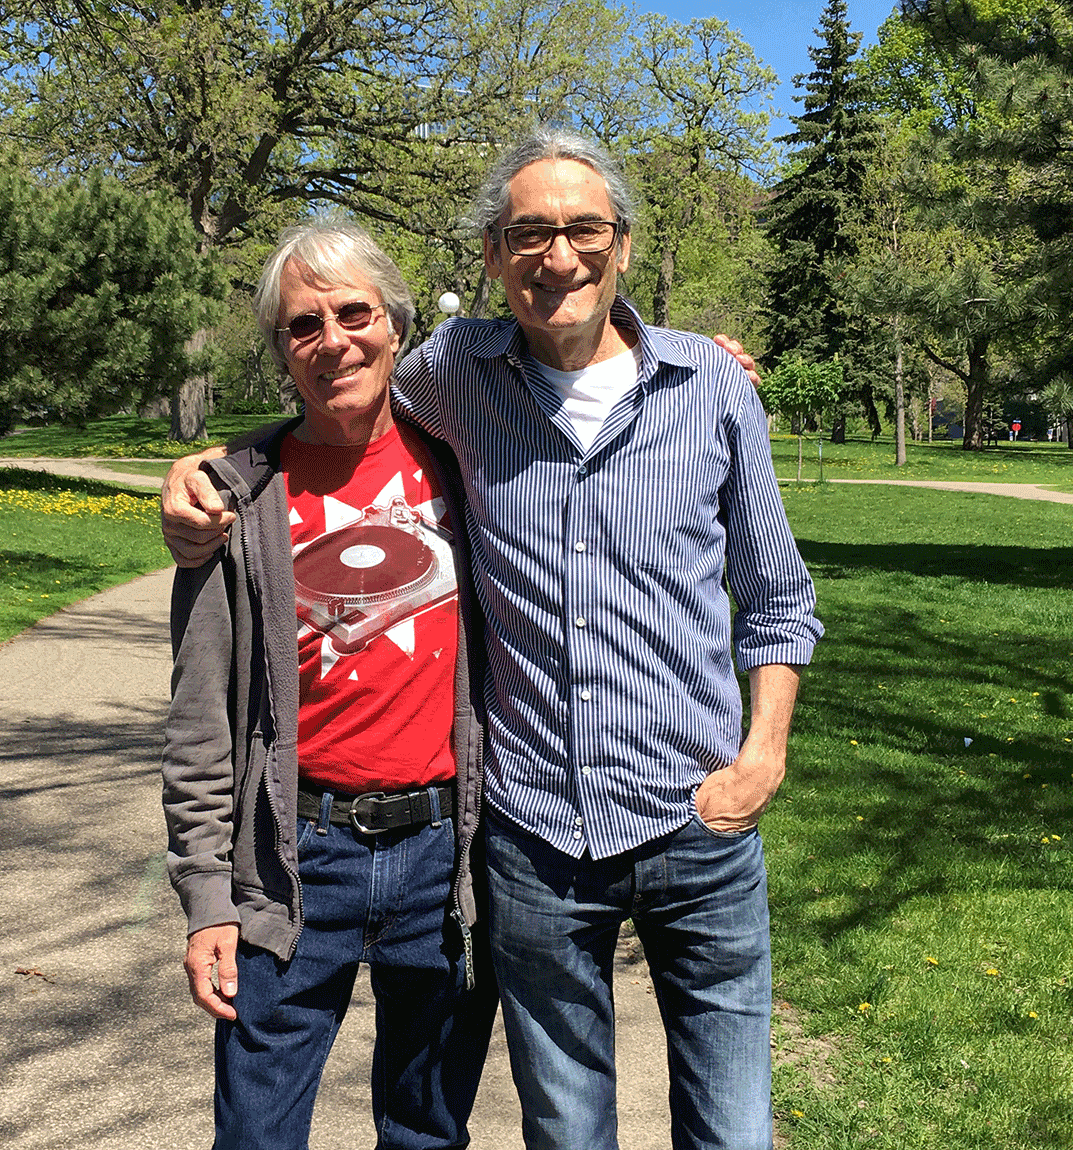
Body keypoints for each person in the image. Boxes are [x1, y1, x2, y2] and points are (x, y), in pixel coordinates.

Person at [164, 127, 823, 1150]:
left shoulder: (686, 388)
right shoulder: (419, 400)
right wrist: (204, 473)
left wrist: (762, 755)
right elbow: (331, 411)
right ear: (492, 255)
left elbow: (778, 594)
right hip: (452, 844)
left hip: (589, 838)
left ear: (623, 243)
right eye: (528, 234)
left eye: (583, 229)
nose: (558, 255)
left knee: (699, 1132)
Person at [161, 219, 496, 1150]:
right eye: (303, 325)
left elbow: (578, 376)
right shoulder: (234, 499)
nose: (333, 341)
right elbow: (198, 719)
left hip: (446, 858)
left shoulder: (470, 462)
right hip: (293, 862)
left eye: (354, 314)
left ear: (396, 325)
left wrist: (689, 365)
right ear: (281, 350)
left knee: (427, 1134)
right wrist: (206, 898)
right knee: (256, 1135)